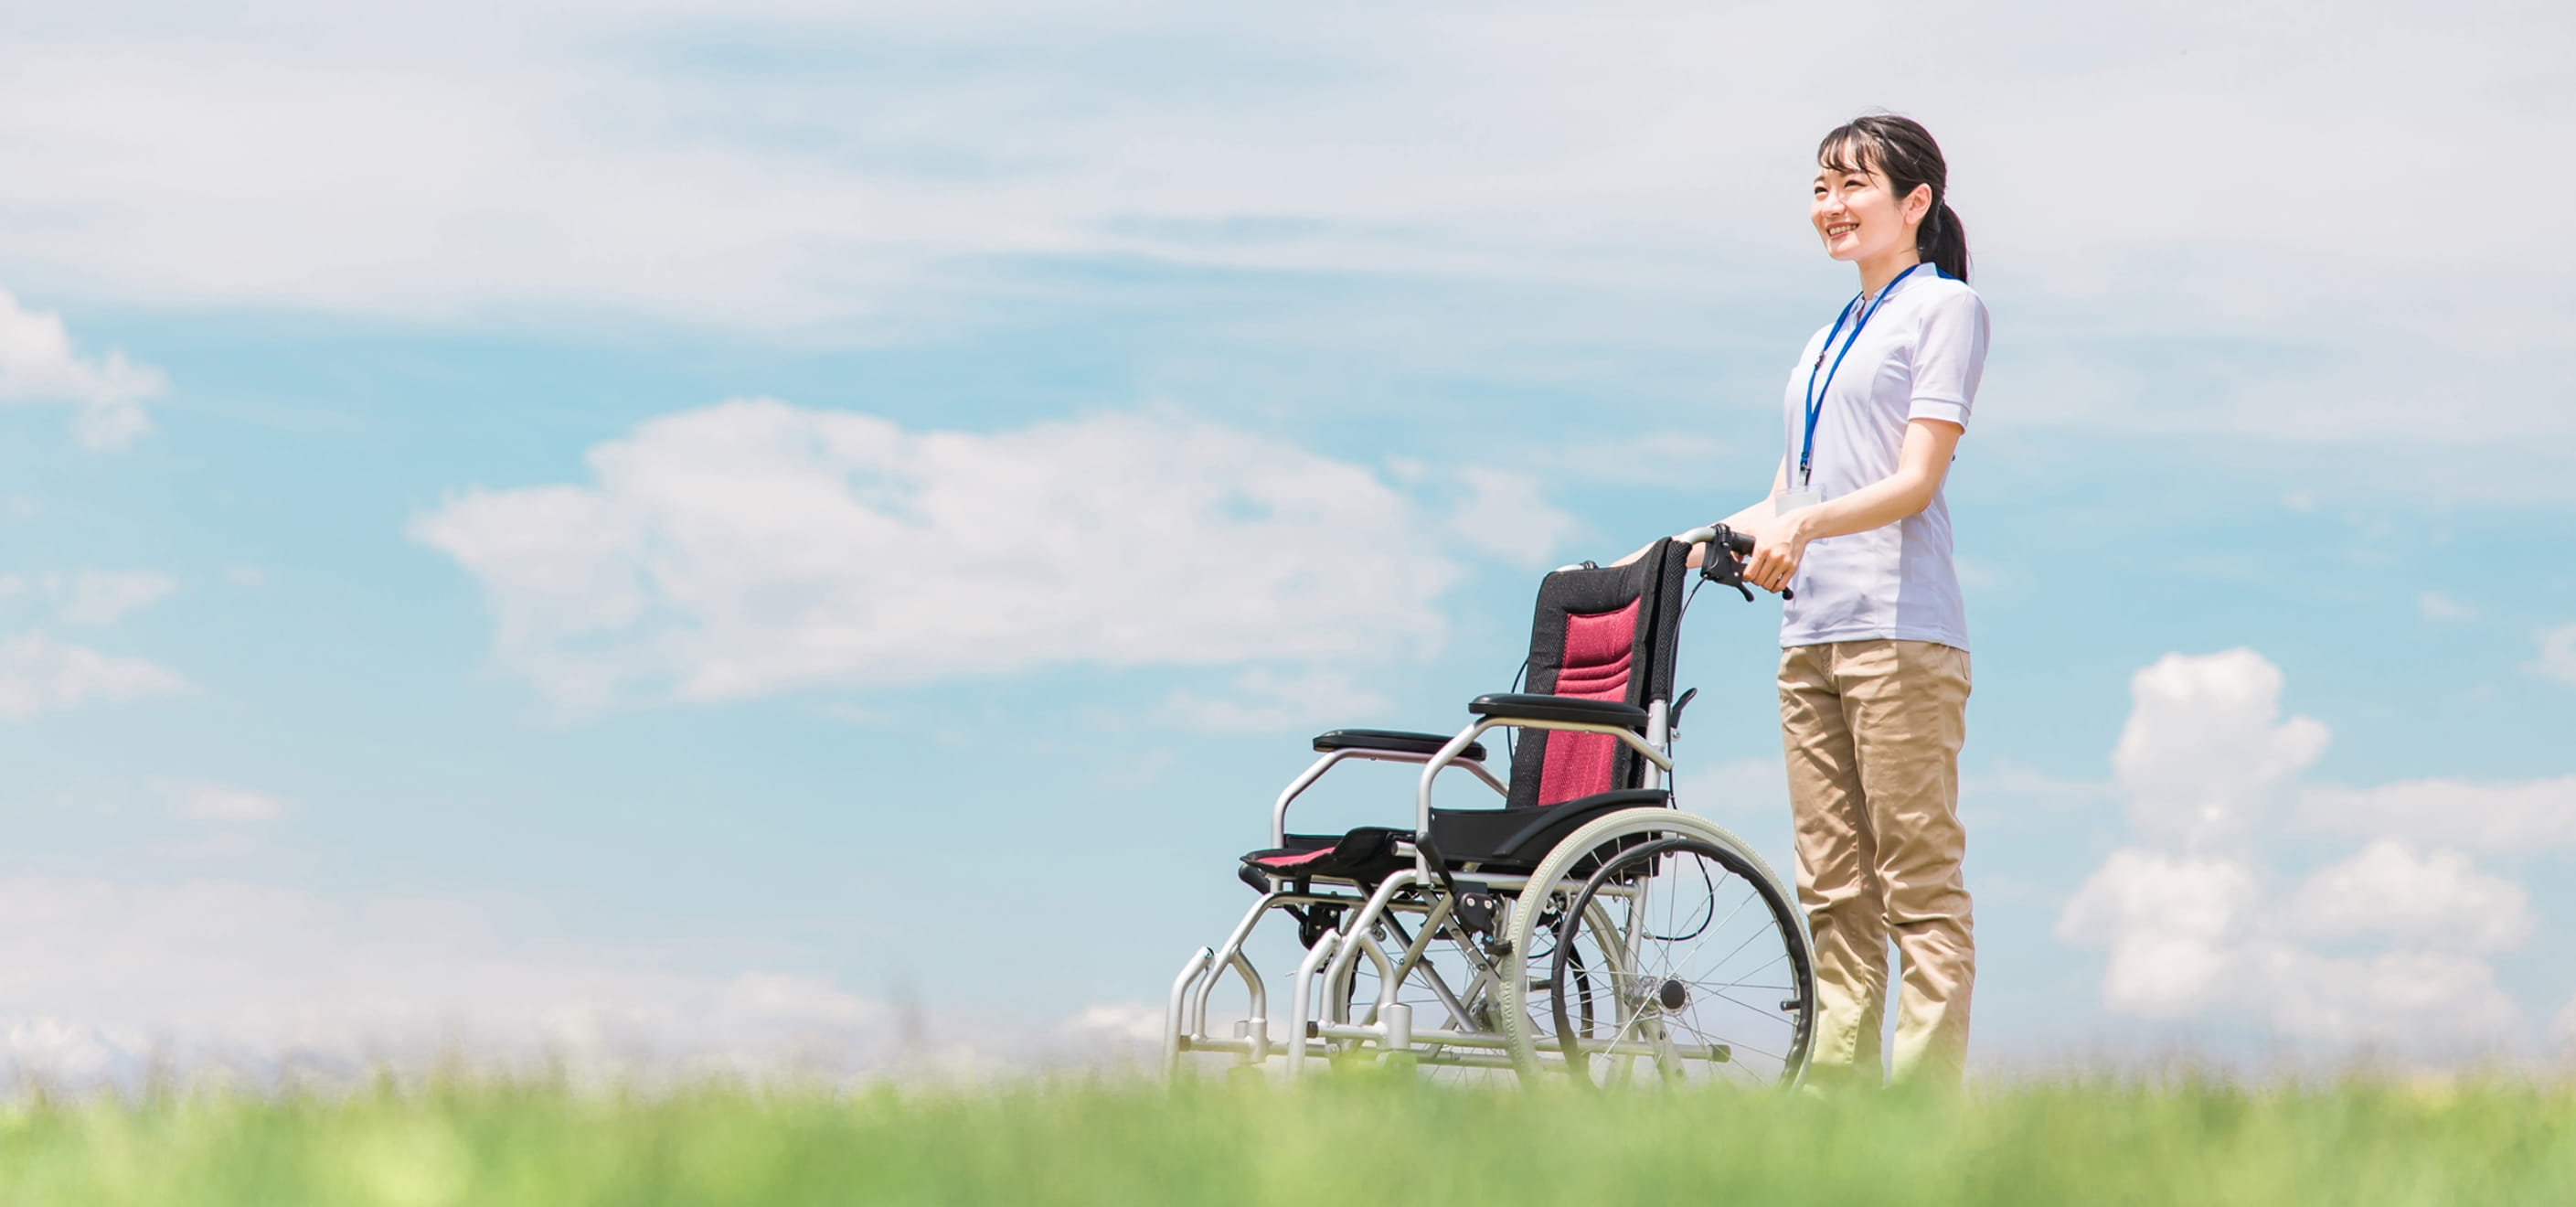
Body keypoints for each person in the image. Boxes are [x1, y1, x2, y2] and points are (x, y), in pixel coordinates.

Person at [1632, 113, 1988, 1088]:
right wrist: (1671, 544)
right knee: (1832, 892)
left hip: (1900, 634)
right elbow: (1786, 496)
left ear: (1915, 203)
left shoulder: (1943, 310)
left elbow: (1914, 481)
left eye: (1852, 187)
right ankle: (1836, 1113)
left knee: (1914, 887)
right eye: (1820, 188)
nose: (1829, 207)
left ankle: (1916, 1115)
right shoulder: (1829, 334)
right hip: (1810, 638)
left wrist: (1803, 528)